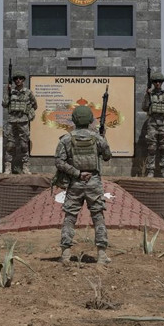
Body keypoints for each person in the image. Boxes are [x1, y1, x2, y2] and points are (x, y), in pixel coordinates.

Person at [55, 105, 113, 266]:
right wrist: (103, 137)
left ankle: (65, 254)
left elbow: (59, 162)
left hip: (75, 183)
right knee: (98, 217)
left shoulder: (66, 139)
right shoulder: (97, 138)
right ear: (89, 120)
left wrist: (76, 173)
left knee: (70, 217)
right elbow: (107, 156)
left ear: (74, 119)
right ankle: (101, 255)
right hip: (94, 182)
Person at [141, 71, 164, 177]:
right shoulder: (149, 94)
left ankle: (163, 170)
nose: (157, 83)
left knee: (163, 148)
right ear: (153, 83)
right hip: (152, 124)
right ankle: (150, 171)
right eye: (155, 81)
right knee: (152, 148)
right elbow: (144, 107)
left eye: (159, 81)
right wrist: (147, 95)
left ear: (162, 82)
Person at [1, 71, 37, 173]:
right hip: (12, 121)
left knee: (24, 144)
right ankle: (8, 167)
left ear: (23, 80)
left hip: (23, 121)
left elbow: (35, 105)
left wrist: (28, 111)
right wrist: (7, 92)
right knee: (10, 145)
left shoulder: (28, 93)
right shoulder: (10, 92)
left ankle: (25, 167)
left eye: (20, 78)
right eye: (16, 79)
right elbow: (4, 104)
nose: (18, 80)